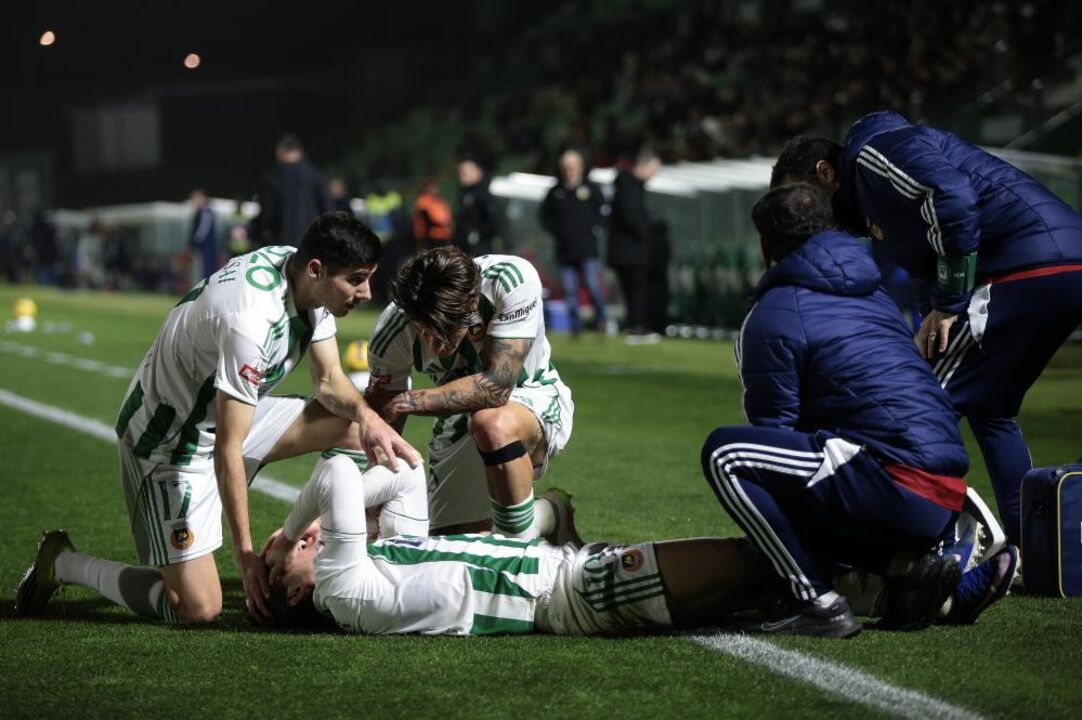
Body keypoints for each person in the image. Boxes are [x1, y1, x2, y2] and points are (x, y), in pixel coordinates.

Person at [15, 212, 420, 625]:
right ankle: (64, 563)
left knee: (361, 429)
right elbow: (228, 447)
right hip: (170, 440)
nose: (368, 292)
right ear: (317, 269)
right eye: (356, 279)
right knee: (197, 608)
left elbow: (331, 380)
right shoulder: (251, 319)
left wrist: (369, 418)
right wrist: (246, 558)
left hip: (224, 416)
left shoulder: (303, 278)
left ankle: (318, 540)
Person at [700, 184, 1007, 638]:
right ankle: (928, 582)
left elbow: (775, 431)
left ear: (766, 247)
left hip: (896, 484)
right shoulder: (876, 295)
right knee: (816, 471)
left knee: (727, 455)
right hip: (942, 490)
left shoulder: (772, 313)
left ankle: (815, 602)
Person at [770, 111, 1082, 546]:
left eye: (801, 197)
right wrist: (930, 322)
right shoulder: (872, 205)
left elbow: (950, 196)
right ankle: (1032, 548)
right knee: (990, 409)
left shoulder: (873, 153)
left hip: (1027, 263)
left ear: (825, 173)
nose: (801, 212)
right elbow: (926, 261)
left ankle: (916, 546)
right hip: (1060, 262)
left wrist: (951, 301)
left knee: (918, 407)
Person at [261, 448, 773, 634]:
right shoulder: (346, 590)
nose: (290, 547)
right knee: (755, 562)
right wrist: (293, 532)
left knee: (759, 582)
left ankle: (814, 579)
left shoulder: (371, 565)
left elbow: (408, 473)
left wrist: (316, 528)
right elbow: (335, 473)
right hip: (567, 595)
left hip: (560, 573)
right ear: (296, 594)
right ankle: (823, 576)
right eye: (279, 563)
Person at [15, 451, 428, 623]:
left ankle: (65, 562)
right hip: (232, 423)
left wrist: (311, 521)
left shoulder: (352, 580)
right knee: (361, 423)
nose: (305, 543)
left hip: (242, 411)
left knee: (195, 605)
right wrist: (291, 532)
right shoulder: (351, 583)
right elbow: (402, 470)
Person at [365, 246, 574, 540]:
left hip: (535, 396)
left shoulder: (510, 279)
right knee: (452, 547)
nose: (435, 346)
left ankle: (521, 558)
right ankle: (549, 515)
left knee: (492, 423)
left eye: (446, 331)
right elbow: (381, 428)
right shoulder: (393, 330)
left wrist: (404, 401)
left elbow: (496, 387)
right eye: (424, 331)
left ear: (472, 303)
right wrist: (370, 499)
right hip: (458, 420)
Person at [539, 149, 608, 336]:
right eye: (566, 167)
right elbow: (545, 216)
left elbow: (602, 212)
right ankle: (575, 327)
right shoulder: (556, 192)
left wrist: (594, 229)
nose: (569, 171)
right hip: (565, 250)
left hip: (587, 248)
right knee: (570, 290)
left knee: (593, 286)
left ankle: (601, 321)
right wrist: (557, 232)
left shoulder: (591, 188)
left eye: (572, 167)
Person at [608, 149, 662, 344]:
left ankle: (635, 326)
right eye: (653, 170)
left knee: (633, 290)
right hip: (630, 251)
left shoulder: (625, 186)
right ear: (644, 165)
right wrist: (646, 233)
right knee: (637, 290)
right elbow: (632, 218)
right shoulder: (630, 188)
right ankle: (637, 328)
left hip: (624, 251)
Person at [250, 134, 331, 248]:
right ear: (300, 151)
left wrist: (256, 232)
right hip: (311, 242)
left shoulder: (272, 178)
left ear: (280, 152)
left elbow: (267, 215)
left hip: (280, 243)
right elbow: (327, 210)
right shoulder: (316, 175)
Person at [454, 158, 502, 258]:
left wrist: (477, 236)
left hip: (481, 249)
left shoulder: (482, 194)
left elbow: (493, 221)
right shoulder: (465, 194)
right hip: (466, 247)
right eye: (460, 173)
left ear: (477, 173)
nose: (461, 176)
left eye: (465, 173)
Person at [412, 178, 454, 253]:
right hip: (432, 237)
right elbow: (429, 220)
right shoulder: (423, 201)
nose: (435, 188)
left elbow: (448, 217)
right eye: (431, 186)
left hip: (444, 235)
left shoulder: (439, 201)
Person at [188, 189, 218, 281]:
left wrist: (194, 242)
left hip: (205, 248)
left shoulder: (206, 212)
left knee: (205, 270)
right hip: (203, 247)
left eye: (195, 199)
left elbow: (202, 230)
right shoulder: (202, 212)